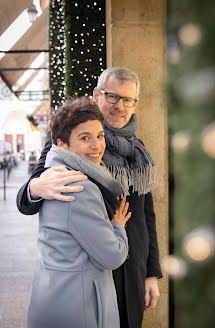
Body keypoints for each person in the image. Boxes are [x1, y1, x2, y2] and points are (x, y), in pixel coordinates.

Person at [17, 67, 162, 328]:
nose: (120, 106)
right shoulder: (69, 143)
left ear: (135, 104)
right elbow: (27, 196)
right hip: (95, 273)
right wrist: (35, 187)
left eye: (128, 100)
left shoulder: (139, 152)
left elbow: (145, 217)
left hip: (134, 267)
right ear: (97, 94)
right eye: (113, 97)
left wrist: (151, 273)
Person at [27, 97, 130, 328]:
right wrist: (118, 227)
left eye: (100, 136)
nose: (97, 146)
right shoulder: (79, 185)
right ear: (62, 144)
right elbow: (112, 256)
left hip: (55, 295)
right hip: (79, 308)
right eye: (85, 138)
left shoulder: (55, 173)